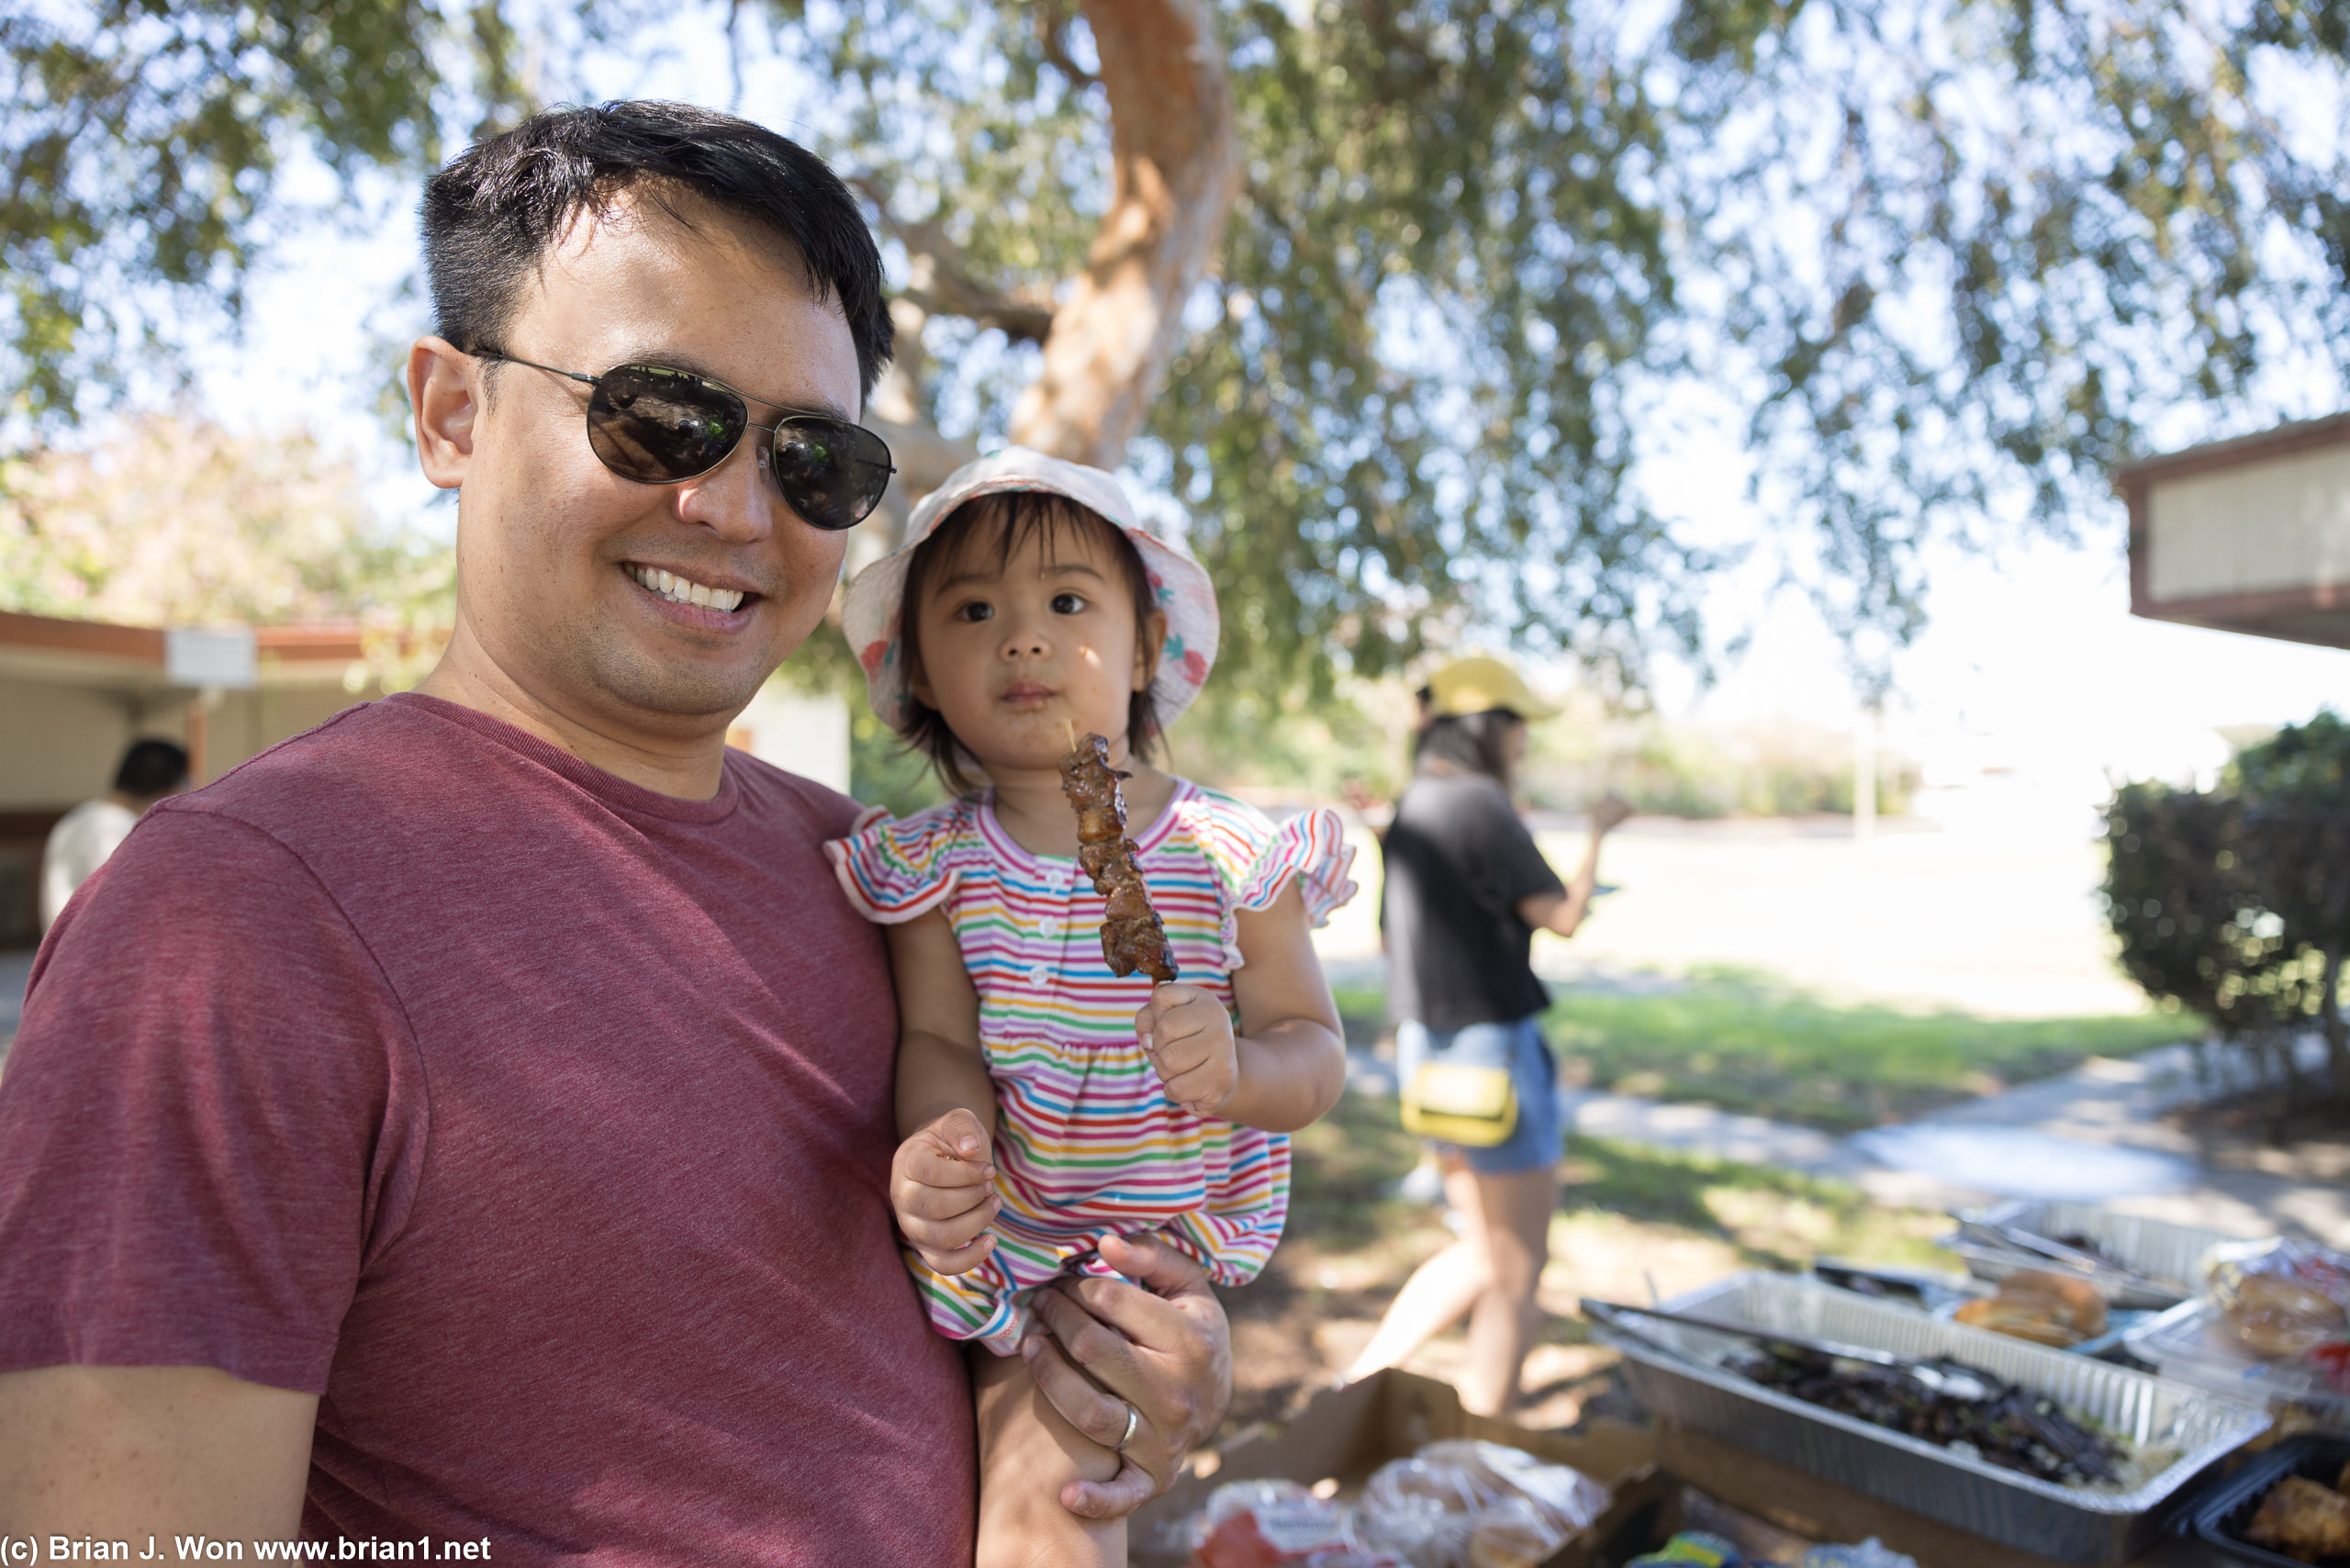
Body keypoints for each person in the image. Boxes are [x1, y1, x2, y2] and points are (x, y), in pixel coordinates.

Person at [0, 103, 1229, 1562]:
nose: (729, 507)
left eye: (813, 459)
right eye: (659, 414)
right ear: (453, 414)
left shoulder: (894, 883)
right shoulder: (232, 923)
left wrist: (1115, 1376)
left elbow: (1004, 1314)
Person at [825, 448, 1355, 1567]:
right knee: (1032, 1505)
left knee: (1059, 1516)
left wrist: (1240, 1071)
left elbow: (1315, 1053)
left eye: (1067, 602)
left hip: (1150, 1252)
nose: (1021, 637)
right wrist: (943, 1135)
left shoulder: (1229, 857)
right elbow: (935, 1038)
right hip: (1012, 1237)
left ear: (1145, 647)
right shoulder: (936, 869)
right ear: (919, 669)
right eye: (972, 610)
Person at [1343, 655, 1631, 1416]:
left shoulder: (1413, 808)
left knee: (1479, 1248)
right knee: (1516, 1265)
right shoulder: (1482, 805)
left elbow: (1388, 941)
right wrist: (1598, 833)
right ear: (1488, 728)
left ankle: (1355, 1389)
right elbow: (1562, 916)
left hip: (1426, 1058)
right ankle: (1483, 1439)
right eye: (1518, 727)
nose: (1524, 744)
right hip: (1492, 1058)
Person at [38, 738, 189, 932]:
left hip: (61, 953)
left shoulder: (74, 819)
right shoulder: (125, 832)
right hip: (95, 955)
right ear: (169, 788)